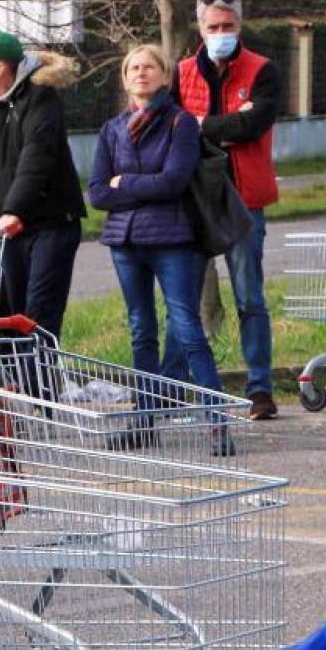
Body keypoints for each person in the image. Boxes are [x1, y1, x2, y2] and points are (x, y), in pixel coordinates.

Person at [88, 45, 231, 455]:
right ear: (125, 77)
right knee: (140, 331)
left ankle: (217, 423)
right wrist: (126, 187)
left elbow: (174, 181)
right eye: (133, 67)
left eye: (149, 66)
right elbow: (97, 192)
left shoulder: (181, 123)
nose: (141, 72)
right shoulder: (112, 128)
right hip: (126, 242)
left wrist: (125, 184)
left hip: (173, 240)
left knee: (186, 327)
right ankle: (143, 422)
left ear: (165, 76)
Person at [167, 0, 280, 420]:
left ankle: (259, 389)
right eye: (213, 26)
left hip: (243, 198)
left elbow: (254, 123)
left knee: (250, 296)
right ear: (200, 27)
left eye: (228, 26)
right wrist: (225, 125)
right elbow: (176, 128)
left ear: (240, 24)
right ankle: (175, 386)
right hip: (194, 199)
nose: (221, 33)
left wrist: (202, 125)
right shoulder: (179, 73)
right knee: (185, 298)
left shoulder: (262, 69)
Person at [0, 30, 85, 341]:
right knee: (6, 317)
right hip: (4, 230)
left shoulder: (41, 99)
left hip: (50, 224)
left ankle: (40, 388)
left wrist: (15, 210)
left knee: (37, 316)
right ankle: (17, 386)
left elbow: (37, 157)